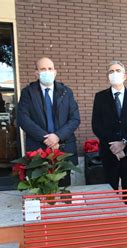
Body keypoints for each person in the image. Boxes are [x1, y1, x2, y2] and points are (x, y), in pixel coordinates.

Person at [17, 57, 80, 185]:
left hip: (63, 148)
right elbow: (23, 119)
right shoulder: (28, 93)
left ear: (55, 72)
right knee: (42, 191)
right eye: (43, 69)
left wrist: (58, 136)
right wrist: (46, 138)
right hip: (38, 149)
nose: (47, 71)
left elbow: (75, 119)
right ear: (36, 73)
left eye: (50, 69)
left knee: (63, 190)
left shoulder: (66, 92)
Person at [92, 61, 127, 191]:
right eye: (111, 71)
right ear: (107, 76)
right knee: (109, 189)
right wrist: (115, 146)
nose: (115, 74)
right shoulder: (100, 97)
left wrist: (124, 143)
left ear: (125, 76)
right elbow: (96, 125)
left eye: (118, 71)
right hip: (109, 152)